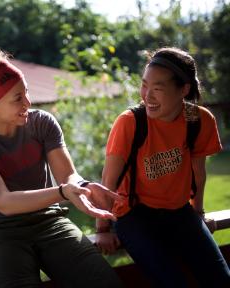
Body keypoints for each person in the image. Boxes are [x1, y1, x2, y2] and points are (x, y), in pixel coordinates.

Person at [0, 39, 124, 288]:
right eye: (17, 98)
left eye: (26, 93)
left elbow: (69, 176)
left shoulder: (42, 123)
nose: (28, 103)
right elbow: (4, 202)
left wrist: (83, 186)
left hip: (49, 222)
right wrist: (62, 192)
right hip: (0, 232)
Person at [95, 47, 230, 287]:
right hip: (133, 214)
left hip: (178, 211)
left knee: (220, 279)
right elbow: (109, 180)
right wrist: (103, 227)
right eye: (144, 85)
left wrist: (198, 212)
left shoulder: (197, 120)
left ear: (184, 89)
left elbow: (198, 172)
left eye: (157, 88)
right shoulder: (131, 122)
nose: (147, 95)